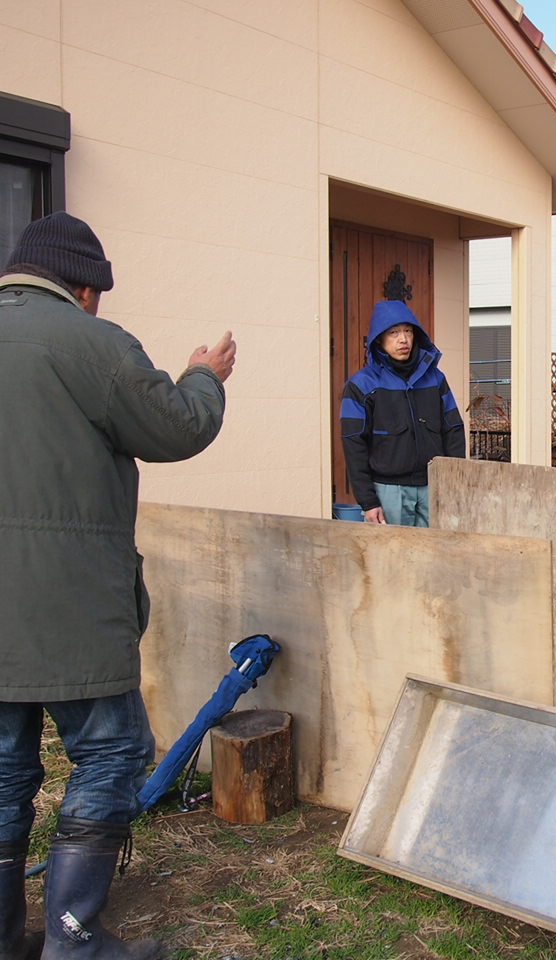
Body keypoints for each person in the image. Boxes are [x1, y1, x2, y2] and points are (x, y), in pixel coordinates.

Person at [0, 212, 236, 959]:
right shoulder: (92, 344)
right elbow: (177, 427)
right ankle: (73, 939)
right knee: (110, 752)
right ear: (84, 288)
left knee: (2, 768)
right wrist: (204, 375)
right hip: (68, 602)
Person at [339, 299, 465, 526]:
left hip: (434, 486)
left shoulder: (436, 379)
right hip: (388, 491)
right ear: (379, 338)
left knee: (438, 547)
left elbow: (453, 430)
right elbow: (353, 443)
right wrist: (368, 501)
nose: (403, 339)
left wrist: (454, 484)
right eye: (393, 333)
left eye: (408, 331)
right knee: (392, 549)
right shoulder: (361, 385)